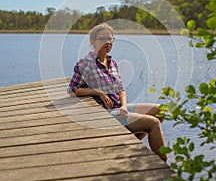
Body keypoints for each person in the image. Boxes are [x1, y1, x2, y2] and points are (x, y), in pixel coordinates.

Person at [68, 23, 167, 162]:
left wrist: (124, 106)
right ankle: (163, 163)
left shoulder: (112, 62)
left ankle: (133, 142)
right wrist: (97, 92)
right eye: (102, 39)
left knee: (160, 110)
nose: (107, 42)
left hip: (119, 108)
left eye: (110, 38)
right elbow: (72, 90)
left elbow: (121, 88)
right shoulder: (85, 64)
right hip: (105, 113)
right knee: (153, 123)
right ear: (93, 42)